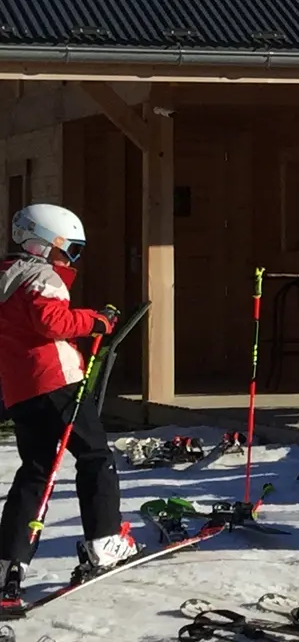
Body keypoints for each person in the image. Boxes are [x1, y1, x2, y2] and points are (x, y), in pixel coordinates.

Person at [0, 205, 134, 605]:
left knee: (36, 471)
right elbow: (50, 321)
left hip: (21, 389)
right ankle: (105, 540)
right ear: (44, 244)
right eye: (69, 251)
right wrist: (96, 321)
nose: (71, 261)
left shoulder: (7, 274)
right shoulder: (42, 277)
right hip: (58, 383)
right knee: (95, 456)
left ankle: (10, 559)